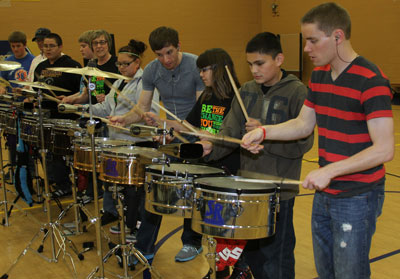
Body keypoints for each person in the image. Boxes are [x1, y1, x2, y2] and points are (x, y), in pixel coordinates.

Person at [241, 3, 394, 279]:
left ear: (337, 36)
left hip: (357, 197)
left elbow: (384, 149)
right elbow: (302, 123)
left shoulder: (371, 80)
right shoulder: (320, 75)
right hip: (325, 195)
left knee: (350, 274)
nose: (306, 49)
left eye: (312, 40)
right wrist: (264, 132)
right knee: (326, 272)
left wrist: (331, 170)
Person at [199, 32, 313, 279]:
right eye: (250, 64)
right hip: (248, 187)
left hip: (279, 191)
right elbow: (229, 129)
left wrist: (265, 135)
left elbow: (303, 143)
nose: (254, 70)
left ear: (279, 59)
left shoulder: (297, 92)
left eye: (260, 63)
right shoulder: (247, 90)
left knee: (277, 258)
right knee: (252, 257)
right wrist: (210, 146)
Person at [110, 26, 205, 263]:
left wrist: (174, 127)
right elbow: (142, 107)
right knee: (154, 192)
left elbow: (200, 110)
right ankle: (144, 248)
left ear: (179, 46)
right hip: (167, 136)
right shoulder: (152, 70)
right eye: (160, 55)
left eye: (170, 53)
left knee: (191, 192)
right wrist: (125, 118)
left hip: (193, 137)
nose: (166, 60)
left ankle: (192, 243)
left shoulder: (195, 66)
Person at [145, 48, 242, 278]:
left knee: (228, 228)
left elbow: (233, 136)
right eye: (199, 70)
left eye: (205, 70)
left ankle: (234, 269)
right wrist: (163, 122)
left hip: (229, 169)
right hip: (206, 167)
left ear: (219, 69)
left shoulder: (237, 97)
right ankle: (218, 269)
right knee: (210, 225)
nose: (201, 75)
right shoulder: (207, 96)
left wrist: (209, 139)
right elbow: (189, 125)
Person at [81, 38, 160, 242]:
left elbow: (152, 113)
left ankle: (137, 225)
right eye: (119, 64)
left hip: (139, 143)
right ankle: (127, 220)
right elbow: (106, 109)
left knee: (136, 190)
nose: (122, 67)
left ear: (137, 63)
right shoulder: (117, 82)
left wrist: (127, 122)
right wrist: (82, 109)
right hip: (119, 143)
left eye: (126, 64)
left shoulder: (146, 83)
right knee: (122, 188)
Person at [34, 32, 82, 197]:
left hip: (67, 117)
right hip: (47, 115)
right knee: (51, 152)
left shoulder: (71, 66)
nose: (47, 49)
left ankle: (74, 183)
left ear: (60, 47)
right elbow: (36, 88)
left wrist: (70, 100)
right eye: (45, 46)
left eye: (51, 46)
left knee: (66, 153)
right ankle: (59, 182)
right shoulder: (41, 67)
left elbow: (81, 92)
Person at [62, 29, 118, 105]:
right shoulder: (90, 68)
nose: (98, 46)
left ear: (108, 44)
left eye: (102, 42)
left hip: (113, 112)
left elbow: (126, 92)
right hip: (94, 112)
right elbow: (86, 95)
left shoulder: (118, 64)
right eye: (95, 43)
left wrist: (108, 98)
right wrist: (72, 101)